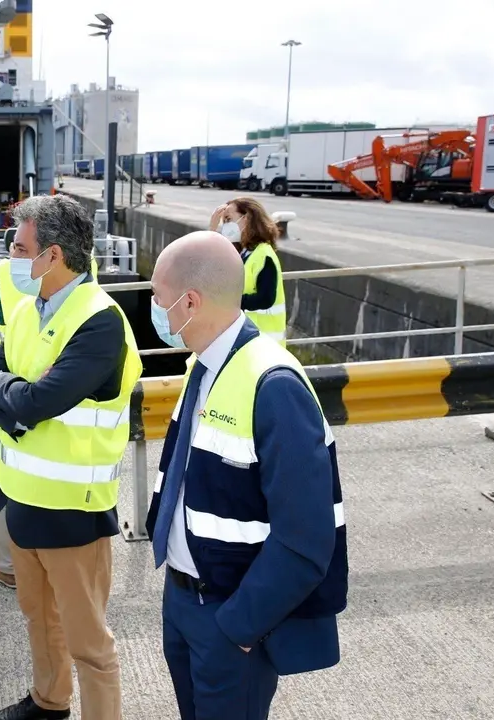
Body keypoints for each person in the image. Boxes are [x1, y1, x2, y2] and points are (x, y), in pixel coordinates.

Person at [146, 231, 349, 720]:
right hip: (184, 601)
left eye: (158, 299)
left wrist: (238, 625)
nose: (157, 311)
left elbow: (305, 540)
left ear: (189, 301)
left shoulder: (273, 385)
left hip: (229, 616)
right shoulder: (206, 366)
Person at [0, 194, 141, 720]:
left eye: (20, 247)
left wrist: (16, 397)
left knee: (88, 640)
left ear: (52, 256)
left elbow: (38, 402)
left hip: (74, 509)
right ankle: (49, 701)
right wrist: (16, 398)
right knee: (39, 619)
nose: (12, 256)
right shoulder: (27, 311)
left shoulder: (99, 321)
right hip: (22, 499)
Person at [0, 229, 104, 591]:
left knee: (1, 477)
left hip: (16, 388)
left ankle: (7, 563)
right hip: (39, 386)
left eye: (20, 247)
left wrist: (4, 391)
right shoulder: (82, 273)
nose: (14, 255)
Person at [210, 197, 288, 345]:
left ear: (247, 219)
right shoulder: (244, 253)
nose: (226, 226)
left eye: (228, 219)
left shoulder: (263, 255)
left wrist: (230, 301)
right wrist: (212, 232)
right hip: (250, 338)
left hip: (266, 342)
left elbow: (265, 299)